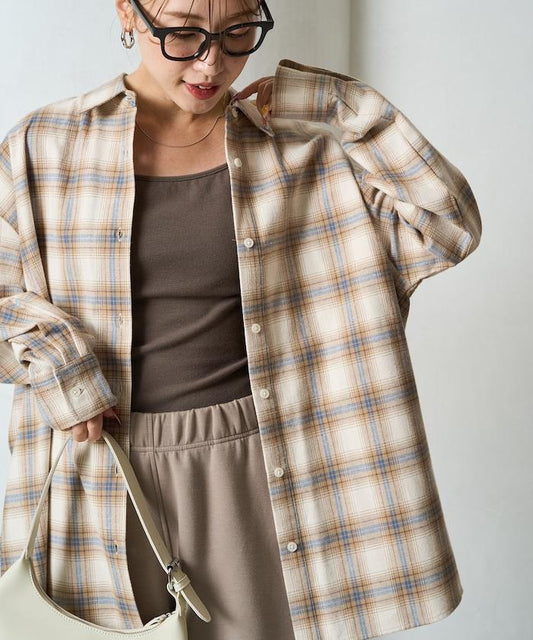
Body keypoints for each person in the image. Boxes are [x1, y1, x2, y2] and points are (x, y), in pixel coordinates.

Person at [0, 0, 482, 639]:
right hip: (98, 468)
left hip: (262, 466)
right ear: (127, 13)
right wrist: (58, 364)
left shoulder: (302, 152)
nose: (211, 63)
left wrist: (343, 104)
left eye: (237, 33)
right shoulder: (44, 146)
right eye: (183, 34)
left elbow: (447, 224)